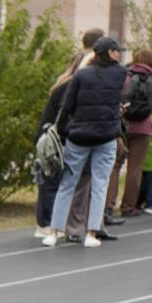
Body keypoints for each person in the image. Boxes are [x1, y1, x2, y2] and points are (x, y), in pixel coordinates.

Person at [45, 36, 128, 248]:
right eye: (117, 50)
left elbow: (68, 106)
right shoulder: (120, 74)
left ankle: (54, 232)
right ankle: (91, 234)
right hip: (107, 137)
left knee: (67, 185)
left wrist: (63, 131)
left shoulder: (81, 76)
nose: (120, 54)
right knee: (100, 186)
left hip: (79, 137)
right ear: (110, 53)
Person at [34, 52, 86, 239]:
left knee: (50, 179)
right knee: (52, 180)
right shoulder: (70, 86)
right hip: (55, 137)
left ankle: (46, 223)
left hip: (49, 134)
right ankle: (46, 224)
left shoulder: (64, 82)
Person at [116, 49, 152, 215]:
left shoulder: (124, 75)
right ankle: (128, 206)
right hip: (143, 127)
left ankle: (108, 205)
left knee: (115, 167)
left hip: (122, 126)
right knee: (135, 169)